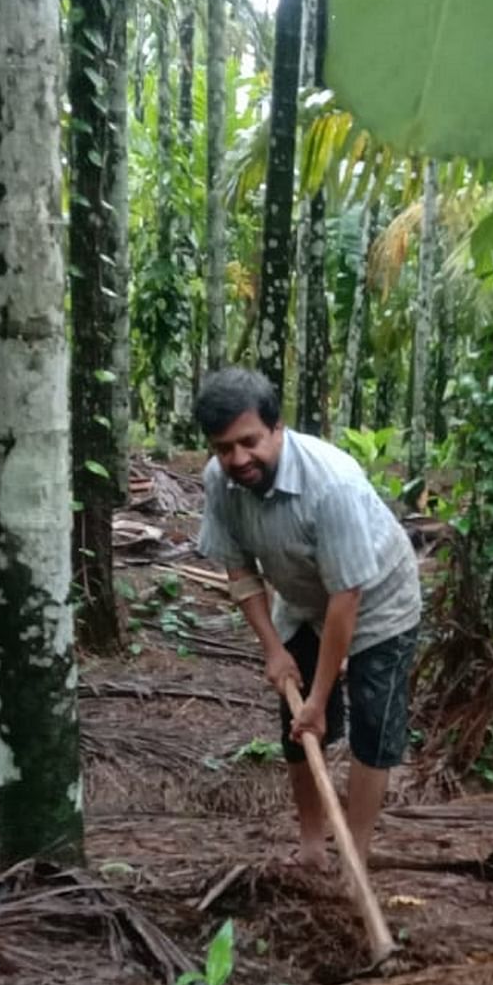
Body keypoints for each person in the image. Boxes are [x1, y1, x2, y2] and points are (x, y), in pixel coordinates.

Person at [195, 368, 421, 874]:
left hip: (379, 602)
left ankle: (355, 857)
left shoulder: (331, 485)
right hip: (300, 602)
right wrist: (273, 649)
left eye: (249, 442)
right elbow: (240, 569)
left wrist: (319, 698)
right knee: (297, 730)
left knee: (372, 726)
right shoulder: (221, 481)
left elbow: (347, 597)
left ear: (277, 429)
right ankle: (313, 845)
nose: (238, 459)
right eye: (223, 448)